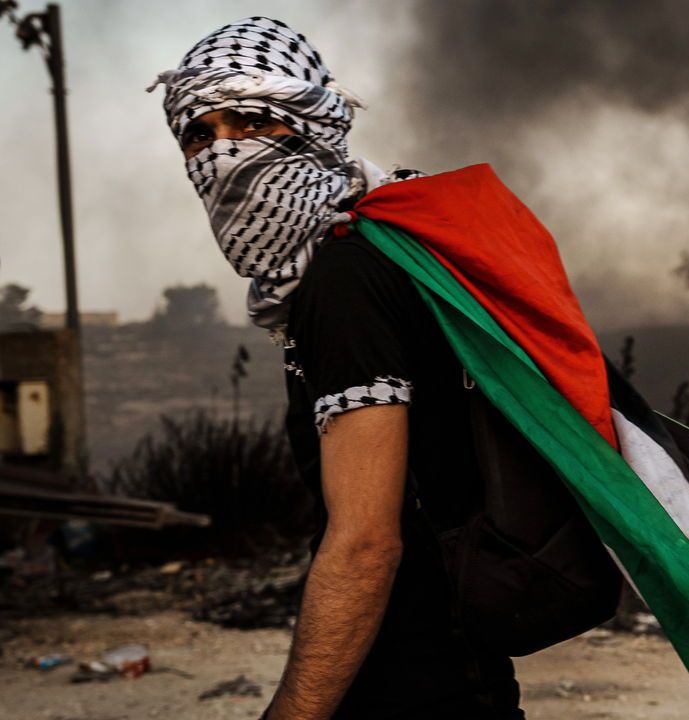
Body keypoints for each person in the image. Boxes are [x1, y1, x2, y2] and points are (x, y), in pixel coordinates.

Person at [149, 17, 523, 719]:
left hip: (424, 686)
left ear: (311, 125)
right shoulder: (376, 257)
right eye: (199, 133)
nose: (223, 151)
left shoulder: (346, 277)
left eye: (251, 120)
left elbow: (367, 543)